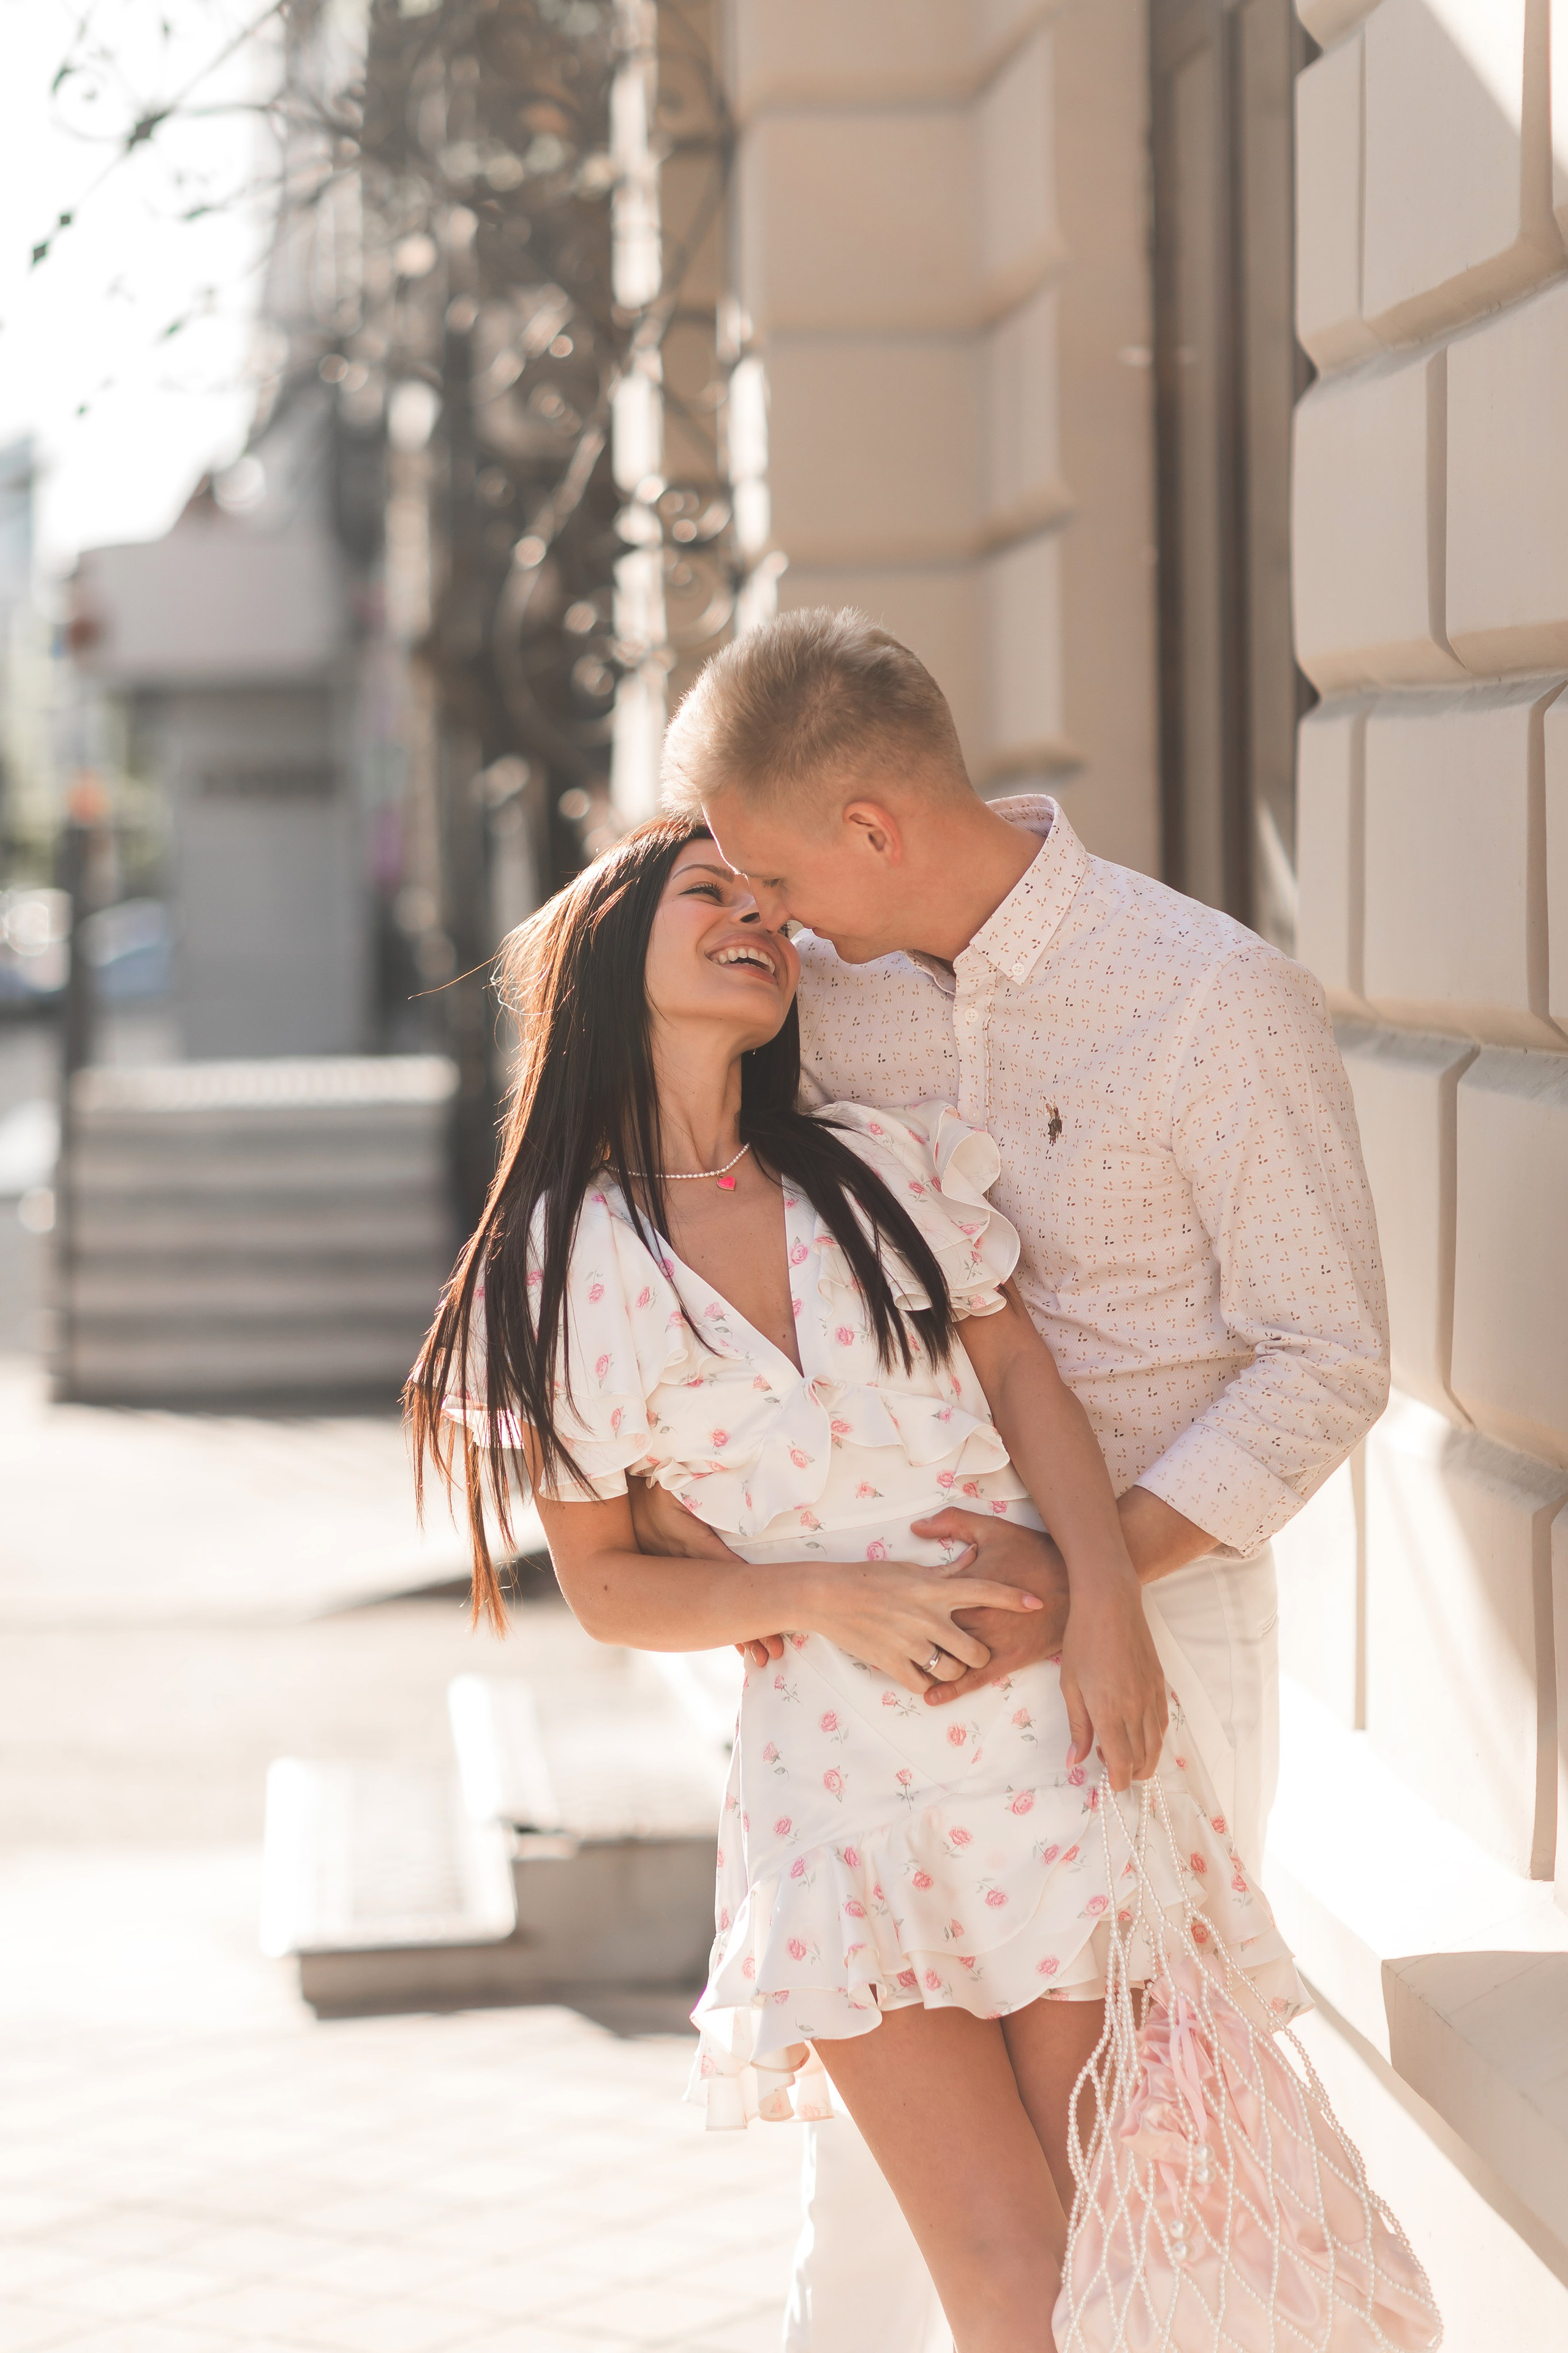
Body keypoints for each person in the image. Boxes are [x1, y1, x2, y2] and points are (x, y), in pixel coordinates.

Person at [407, 810, 1310, 2353]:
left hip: (1046, 1756)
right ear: (613, 949)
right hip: (841, 1806)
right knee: (1004, 2272)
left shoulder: (876, 1169)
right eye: (713, 893)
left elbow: (1034, 1394)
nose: (758, 917)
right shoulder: (556, 1273)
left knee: (1099, 2258)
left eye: (769, 902)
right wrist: (819, 1597)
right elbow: (612, 1588)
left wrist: (1105, 1613)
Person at [638, 607, 1391, 2352]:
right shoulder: (811, 1018)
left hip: (1163, 1651)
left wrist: (1078, 1578)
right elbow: (697, 1197)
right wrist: (704, 1519)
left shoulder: (1213, 1000)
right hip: (885, 1674)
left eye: (771, 871)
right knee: (886, 2213)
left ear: (874, 832)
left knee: (1139, 2155)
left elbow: (1325, 1354)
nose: (763, 913)